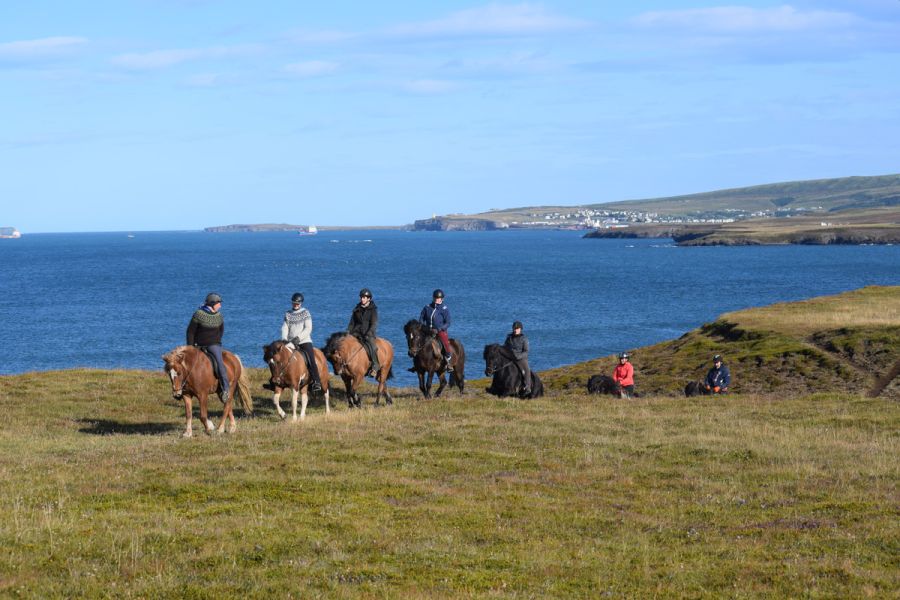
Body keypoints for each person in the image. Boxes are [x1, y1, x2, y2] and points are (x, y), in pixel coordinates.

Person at [186, 292, 229, 401]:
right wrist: (191, 347)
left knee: (220, 363)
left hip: (213, 345)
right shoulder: (198, 314)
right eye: (219, 303)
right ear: (212, 303)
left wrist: (216, 341)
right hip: (197, 345)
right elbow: (190, 331)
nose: (220, 305)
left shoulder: (219, 316)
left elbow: (221, 330)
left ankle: (225, 389)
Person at [280, 292, 322, 392]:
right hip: (290, 342)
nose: (296, 305)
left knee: (311, 359)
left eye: (297, 303)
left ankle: (316, 381)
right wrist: (284, 339)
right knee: (278, 359)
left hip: (304, 341)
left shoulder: (305, 313)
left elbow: (308, 328)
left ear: (301, 303)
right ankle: (275, 381)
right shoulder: (288, 314)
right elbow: (285, 327)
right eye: (294, 303)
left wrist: (297, 339)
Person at [348, 288, 380, 377]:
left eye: (364, 297)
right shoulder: (356, 309)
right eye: (361, 297)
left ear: (369, 299)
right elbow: (352, 323)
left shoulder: (373, 310)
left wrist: (369, 333)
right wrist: (348, 332)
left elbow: (374, 324)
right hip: (356, 333)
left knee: (372, 347)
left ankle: (375, 365)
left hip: (368, 334)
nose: (362, 299)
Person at [419, 289, 453, 371]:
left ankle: (448, 362)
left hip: (440, 331)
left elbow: (448, 322)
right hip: (428, 331)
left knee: (445, 344)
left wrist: (440, 329)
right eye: (435, 298)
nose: (436, 300)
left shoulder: (444, 309)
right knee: (417, 342)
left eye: (438, 298)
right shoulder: (427, 307)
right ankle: (417, 363)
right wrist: (423, 327)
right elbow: (421, 319)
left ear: (442, 299)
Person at [504, 321, 531, 395]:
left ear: (520, 329)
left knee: (527, 370)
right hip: (510, 358)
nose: (515, 330)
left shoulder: (524, 339)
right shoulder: (509, 338)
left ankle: (527, 387)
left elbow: (526, 351)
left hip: (521, 359)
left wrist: (519, 356)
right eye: (514, 328)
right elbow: (505, 347)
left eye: (517, 328)